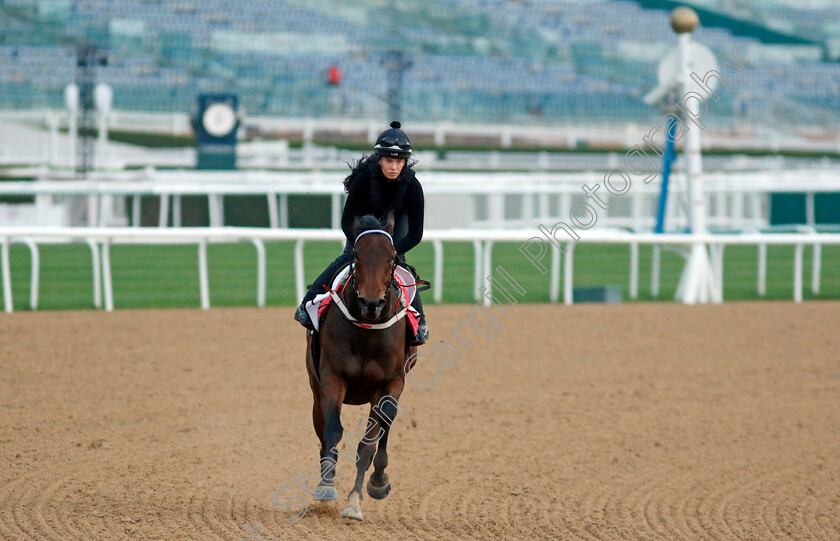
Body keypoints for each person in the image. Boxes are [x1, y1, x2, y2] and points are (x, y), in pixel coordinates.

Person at [294, 121, 429, 346]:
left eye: (398, 161)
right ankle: (307, 305)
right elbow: (347, 220)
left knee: (401, 265)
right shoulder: (364, 179)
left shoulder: (413, 186)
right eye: (389, 161)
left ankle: (420, 323)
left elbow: (416, 232)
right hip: (363, 228)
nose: (394, 167)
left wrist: (393, 252)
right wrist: (361, 246)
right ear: (379, 160)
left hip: (395, 226)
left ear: (405, 162)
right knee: (347, 258)